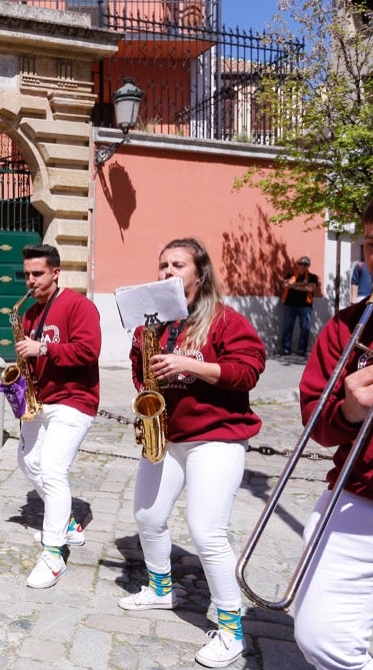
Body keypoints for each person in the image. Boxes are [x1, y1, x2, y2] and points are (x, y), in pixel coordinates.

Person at [116, 237, 265, 669]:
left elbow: (248, 370)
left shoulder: (224, 320)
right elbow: (138, 368)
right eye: (162, 264)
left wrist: (190, 365)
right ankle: (162, 590)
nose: (166, 272)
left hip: (217, 437)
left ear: (199, 273)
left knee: (206, 530)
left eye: (177, 264)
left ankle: (232, 629)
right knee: (147, 515)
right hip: (167, 433)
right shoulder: (153, 325)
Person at [296, 187, 373, 670]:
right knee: (322, 639)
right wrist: (351, 412)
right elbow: (315, 420)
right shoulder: (346, 327)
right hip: (362, 496)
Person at [14, 243, 101, 590]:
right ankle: (66, 522)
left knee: (52, 468)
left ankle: (53, 553)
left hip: (75, 400)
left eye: (37, 274)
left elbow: (89, 350)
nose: (30, 281)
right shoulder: (29, 314)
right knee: (27, 462)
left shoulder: (79, 306)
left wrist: (44, 348)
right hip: (41, 400)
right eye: (27, 274)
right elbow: (31, 357)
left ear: (55, 272)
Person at [281, 255, 319, 357]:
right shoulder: (290, 275)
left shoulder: (312, 277)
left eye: (305, 264)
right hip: (290, 305)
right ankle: (286, 349)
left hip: (305, 306)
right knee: (288, 327)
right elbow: (285, 285)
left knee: (305, 329)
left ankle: (302, 350)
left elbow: (311, 288)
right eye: (300, 264)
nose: (302, 266)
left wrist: (293, 286)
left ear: (308, 266)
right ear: (297, 265)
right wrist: (302, 284)